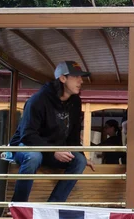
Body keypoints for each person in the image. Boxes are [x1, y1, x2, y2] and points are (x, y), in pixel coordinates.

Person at [8, 61, 94, 205]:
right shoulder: (38, 100)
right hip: (26, 147)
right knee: (34, 157)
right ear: (62, 78)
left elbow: (73, 136)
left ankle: (52, 206)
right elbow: (27, 135)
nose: (81, 80)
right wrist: (53, 150)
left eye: (81, 77)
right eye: (76, 76)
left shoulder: (75, 102)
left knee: (79, 161)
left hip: (51, 151)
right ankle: (18, 206)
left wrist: (82, 156)